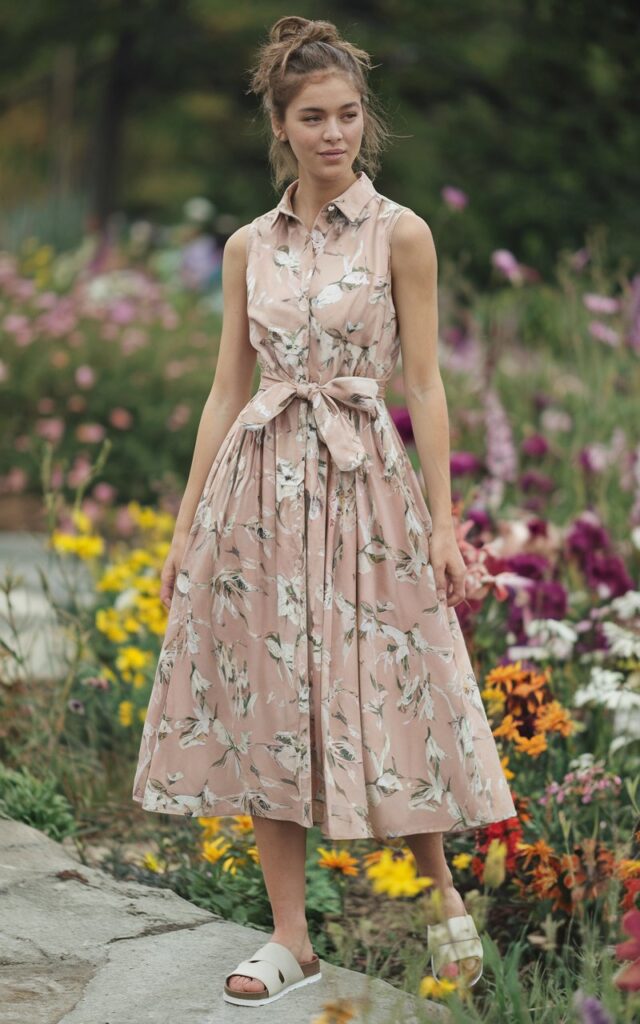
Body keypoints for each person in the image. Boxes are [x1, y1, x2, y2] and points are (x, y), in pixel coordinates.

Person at [132, 15, 517, 1007]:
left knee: (391, 684)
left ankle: (441, 909)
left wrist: (442, 520)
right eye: (313, 116)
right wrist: (183, 531)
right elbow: (227, 388)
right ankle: (292, 940)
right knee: (271, 698)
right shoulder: (245, 247)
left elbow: (425, 385)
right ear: (280, 123)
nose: (334, 132)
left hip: (364, 488)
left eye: (348, 114)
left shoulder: (402, 234)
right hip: (257, 496)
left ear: (363, 121)